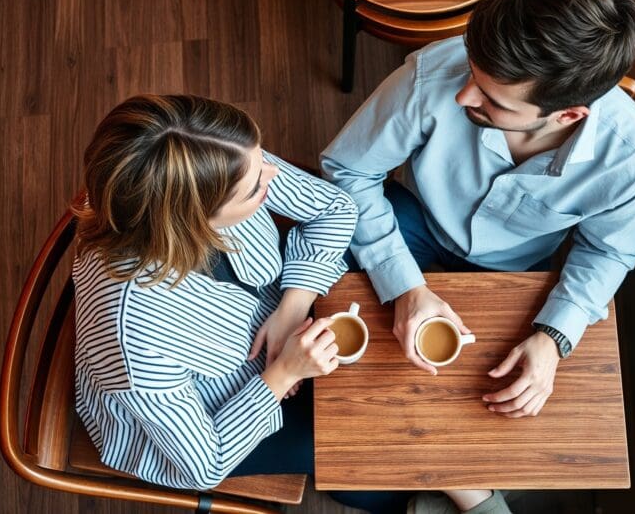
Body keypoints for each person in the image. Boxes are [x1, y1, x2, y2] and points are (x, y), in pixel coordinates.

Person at [321, 0, 635, 513]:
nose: (462, 96)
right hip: (413, 222)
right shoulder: (433, 74)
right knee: (348, 437)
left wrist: (554, 337)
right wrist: (402, 283)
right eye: (472, 72)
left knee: (493, 409)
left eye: (493, 99)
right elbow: (347, 171)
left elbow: (609, 250)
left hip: (516, 271)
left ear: (568, 115)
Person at [72, 94, 407, 512]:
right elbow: (205, 465)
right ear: (193, 220)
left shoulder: (211, 156)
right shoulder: (136, 338)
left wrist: (292, 310)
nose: (273, 172)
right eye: (254, 188)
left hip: (273, 323)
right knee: (359, 441)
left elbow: (335, 207)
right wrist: (283, 374)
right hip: (209, 415)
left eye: (261, 156)